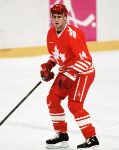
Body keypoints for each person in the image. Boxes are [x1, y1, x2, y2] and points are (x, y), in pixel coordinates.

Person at [40, 4, 99, 149]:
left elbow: (85, 60)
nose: (56, 20)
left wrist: (71, 74)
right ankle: (61, 135)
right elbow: (57, 54)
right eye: (54, 17)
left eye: (59, 17)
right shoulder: (51, 33)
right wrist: (48, 66)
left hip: (83, 72)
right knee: (52, 100)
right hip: (67, 71)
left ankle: (91, 139)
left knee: (74, 105)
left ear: (66, 18)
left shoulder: (74, 34)